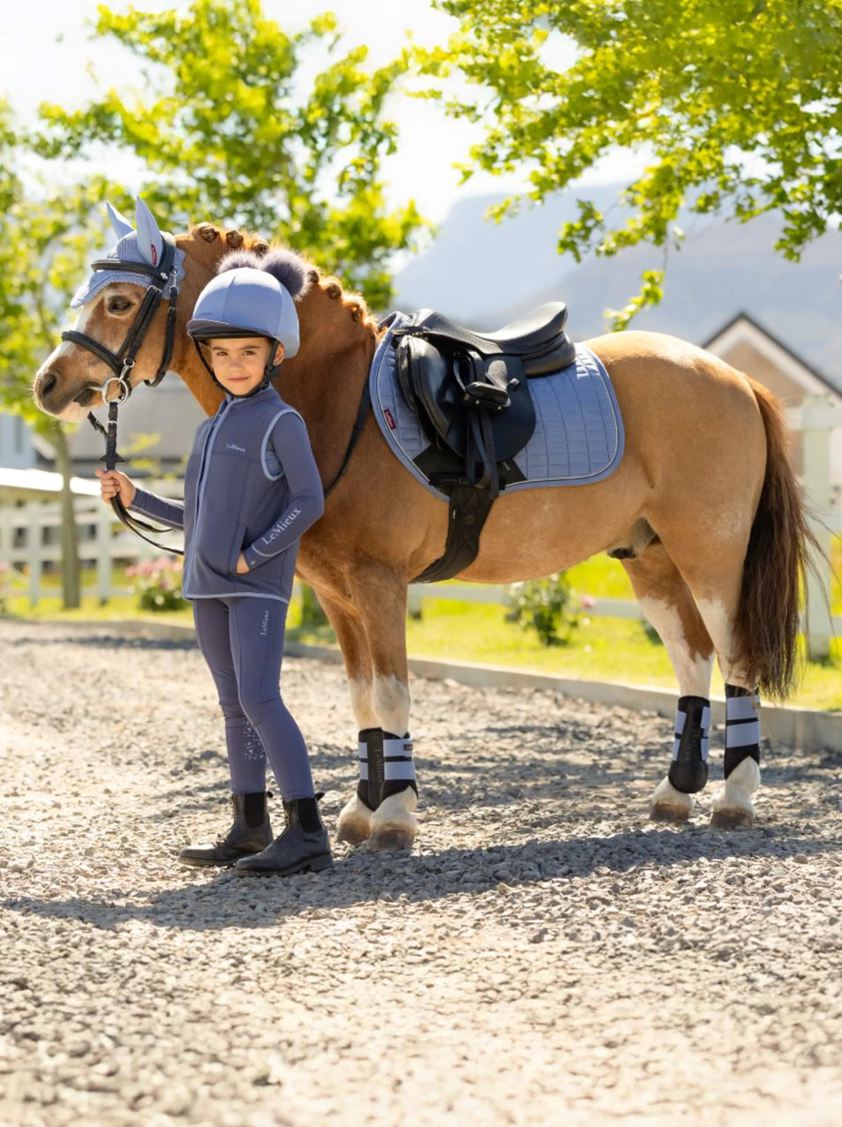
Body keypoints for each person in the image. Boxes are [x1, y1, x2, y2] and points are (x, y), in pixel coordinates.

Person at [97, 250, 330, 877]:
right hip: (205, 587)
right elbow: (196, 517)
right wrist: (134, 496)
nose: (233, 365)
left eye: (247, 353)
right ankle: (249, 824)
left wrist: (257, 554)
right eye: (221, 354)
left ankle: (307, 831)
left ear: (274, 353)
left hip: (255, 590)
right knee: (234, 706)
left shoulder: (282, 421)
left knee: (260, 699)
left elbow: (309, 502)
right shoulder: (209, 428)